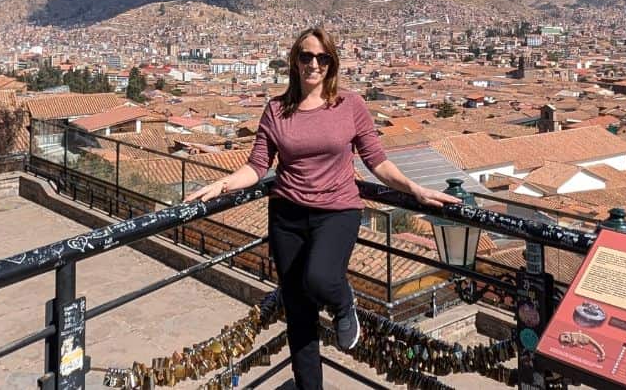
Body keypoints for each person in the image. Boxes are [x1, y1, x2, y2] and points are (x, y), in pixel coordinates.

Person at [186, 26, 459, 390]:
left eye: (322, 57)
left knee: (320, 278)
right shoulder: (276, 110)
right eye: (306, 56)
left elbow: (376, 161)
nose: (313, 64)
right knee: (299, 315)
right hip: (286, 215)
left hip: (338, 211)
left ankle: (345, 304)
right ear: (294, 61)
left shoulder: (351, 105)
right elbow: (257, 166)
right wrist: (221, 184)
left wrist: (414, 189)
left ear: (332, 63)